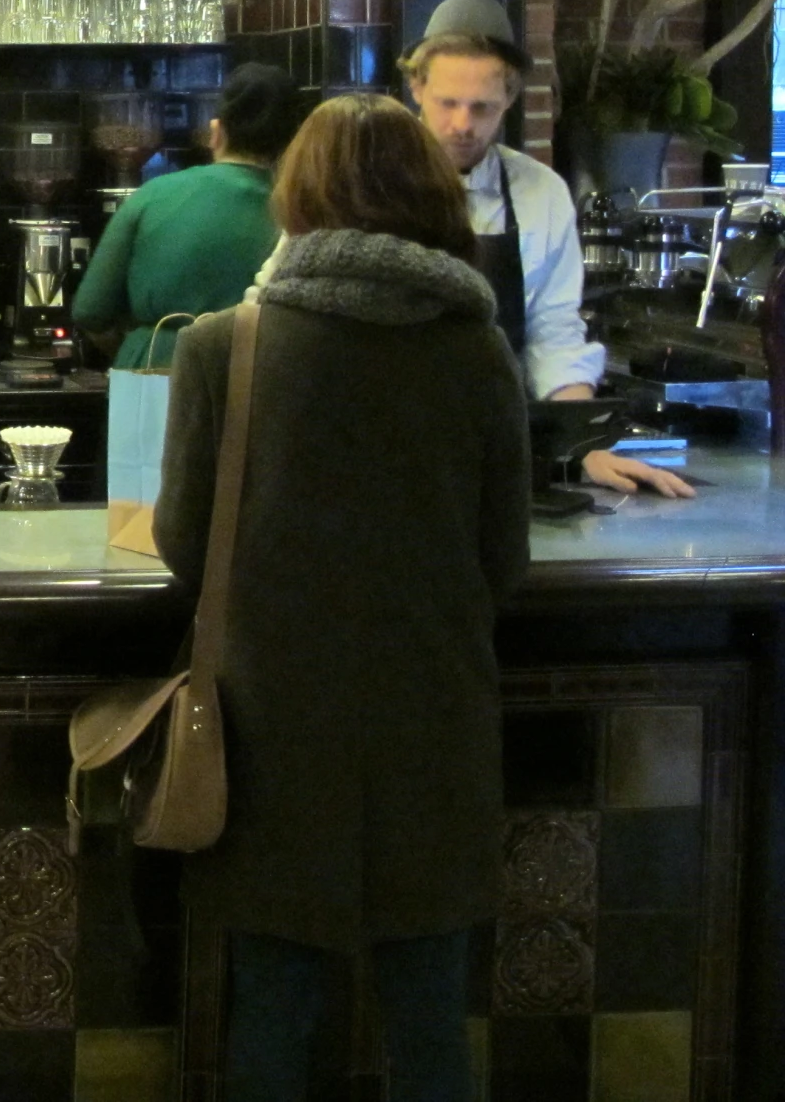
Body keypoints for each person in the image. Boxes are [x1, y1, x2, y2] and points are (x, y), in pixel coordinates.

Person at [156, 94, 530, 1102]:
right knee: (428, 1022)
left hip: (272, 720)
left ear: (298, 194)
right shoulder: (476, 349)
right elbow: (504, 556)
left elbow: (183, 549)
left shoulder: (222, 347)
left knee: (272, 1016)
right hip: (433, 714)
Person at [405, 0, 693, 497]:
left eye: (482, 107)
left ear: (510, 99)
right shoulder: (367, 181)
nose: (462, 124)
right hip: (386, 447)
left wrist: (583, 445)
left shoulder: (541, 193)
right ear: (416, 88)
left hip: (496, 452)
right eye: (447, 103)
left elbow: (553, 334)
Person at [73, 63, 304, 369]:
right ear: (294, 144)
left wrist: (133, 352)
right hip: (254, 373)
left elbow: (90, 310)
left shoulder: (152, 195)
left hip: (153, 366)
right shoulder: (302, 213)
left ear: (215, 133)